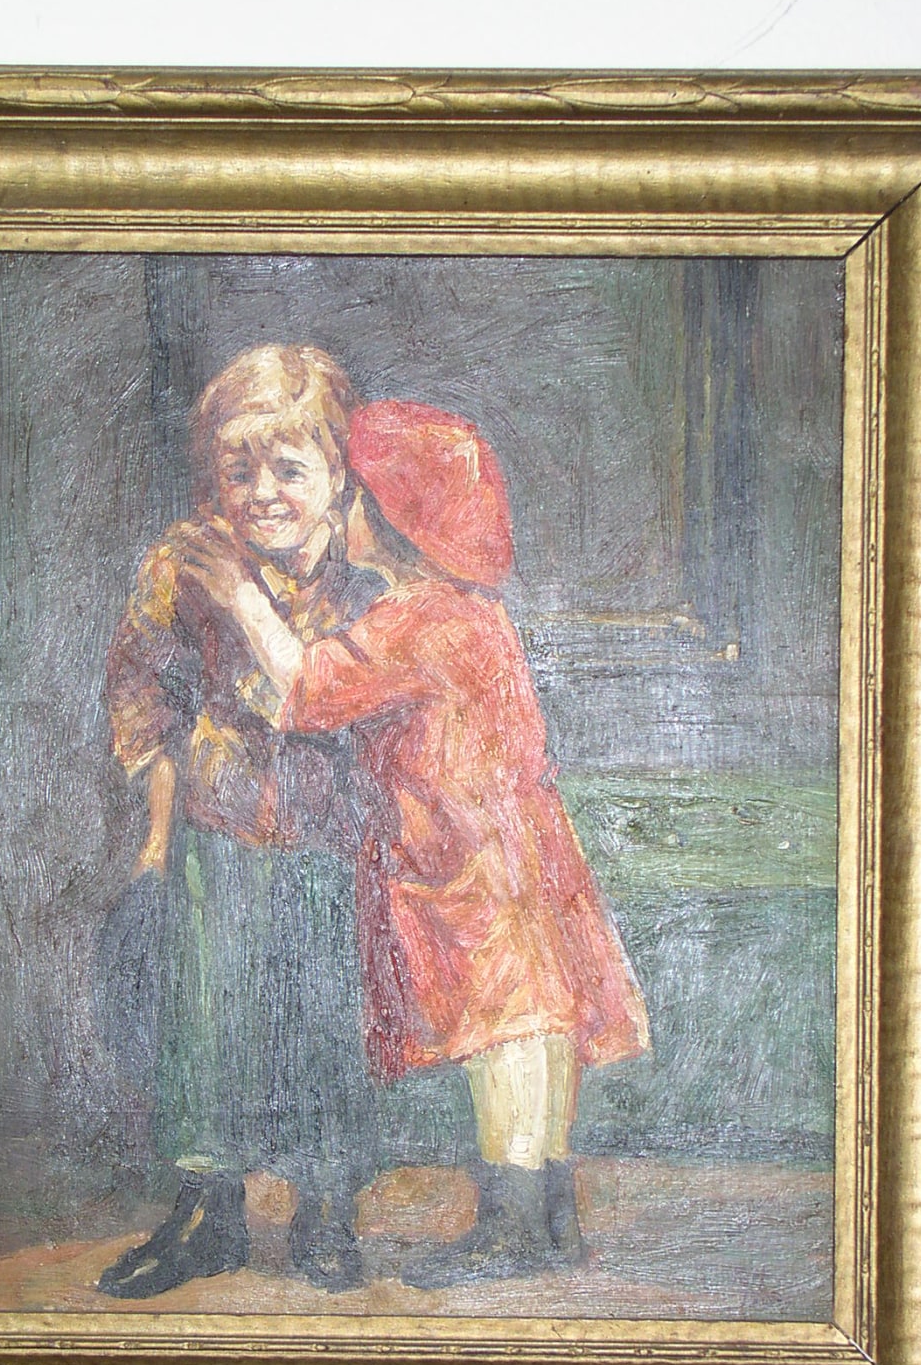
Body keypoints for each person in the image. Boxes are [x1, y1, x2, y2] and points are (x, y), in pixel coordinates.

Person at [185, 398, 650, 1283]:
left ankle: (515, 1228)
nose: (338, 511)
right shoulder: (470, 611)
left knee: (506, 1036)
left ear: (387, 515)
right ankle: (547, 1218)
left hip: (468, 863)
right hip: (514, 850)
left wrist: (240, 595)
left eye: (352, 495)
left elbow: (311, 688)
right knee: (535, 1030)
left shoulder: (422, 616)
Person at [96, 345, 381, 1297]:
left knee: (324, 1016)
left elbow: (348, 698)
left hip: (334, 832)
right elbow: (149, 698)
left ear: (337, 474)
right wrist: (156, 837)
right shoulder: (183, 562)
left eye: (288, 470)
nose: (262, 494)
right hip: (217, 822)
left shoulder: (367, 568)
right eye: (238, 471)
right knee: (206, 1015)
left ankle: (326, 1205)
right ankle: (206, 1209)